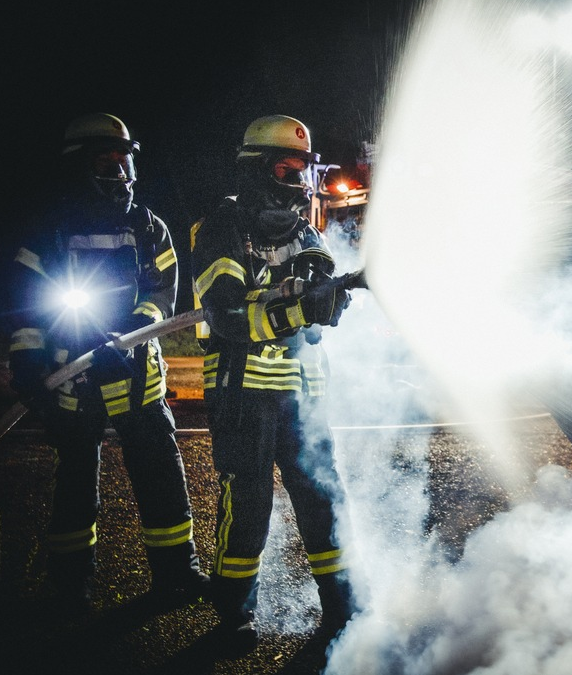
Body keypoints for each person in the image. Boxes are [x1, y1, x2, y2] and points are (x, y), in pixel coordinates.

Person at [4, 112, 210, 614]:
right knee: (74, 484)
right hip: (75, 382)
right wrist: (28, 364)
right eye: (107, 163)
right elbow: (26, 304)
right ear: (79, 168)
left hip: (137, 376)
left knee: (160, 474)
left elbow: (161, 293)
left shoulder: (148, 226)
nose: (120, 175)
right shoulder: (49, 233)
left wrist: (131, 337)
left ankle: (176, 573)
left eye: (125, 163)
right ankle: (70, 585)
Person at [190, 114, 354, 655]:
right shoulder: (221, 228)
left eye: (304, 170)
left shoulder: (307, 231)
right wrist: (292, 312)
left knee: (322, 497)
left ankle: (342, 605)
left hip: (305, 395)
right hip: (242, 394)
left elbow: (322, 287)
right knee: (249, 505)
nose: (299, 182)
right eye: (288, 168)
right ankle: (234, 616)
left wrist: (331, 299)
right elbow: (228, 318)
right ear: (259, 169)